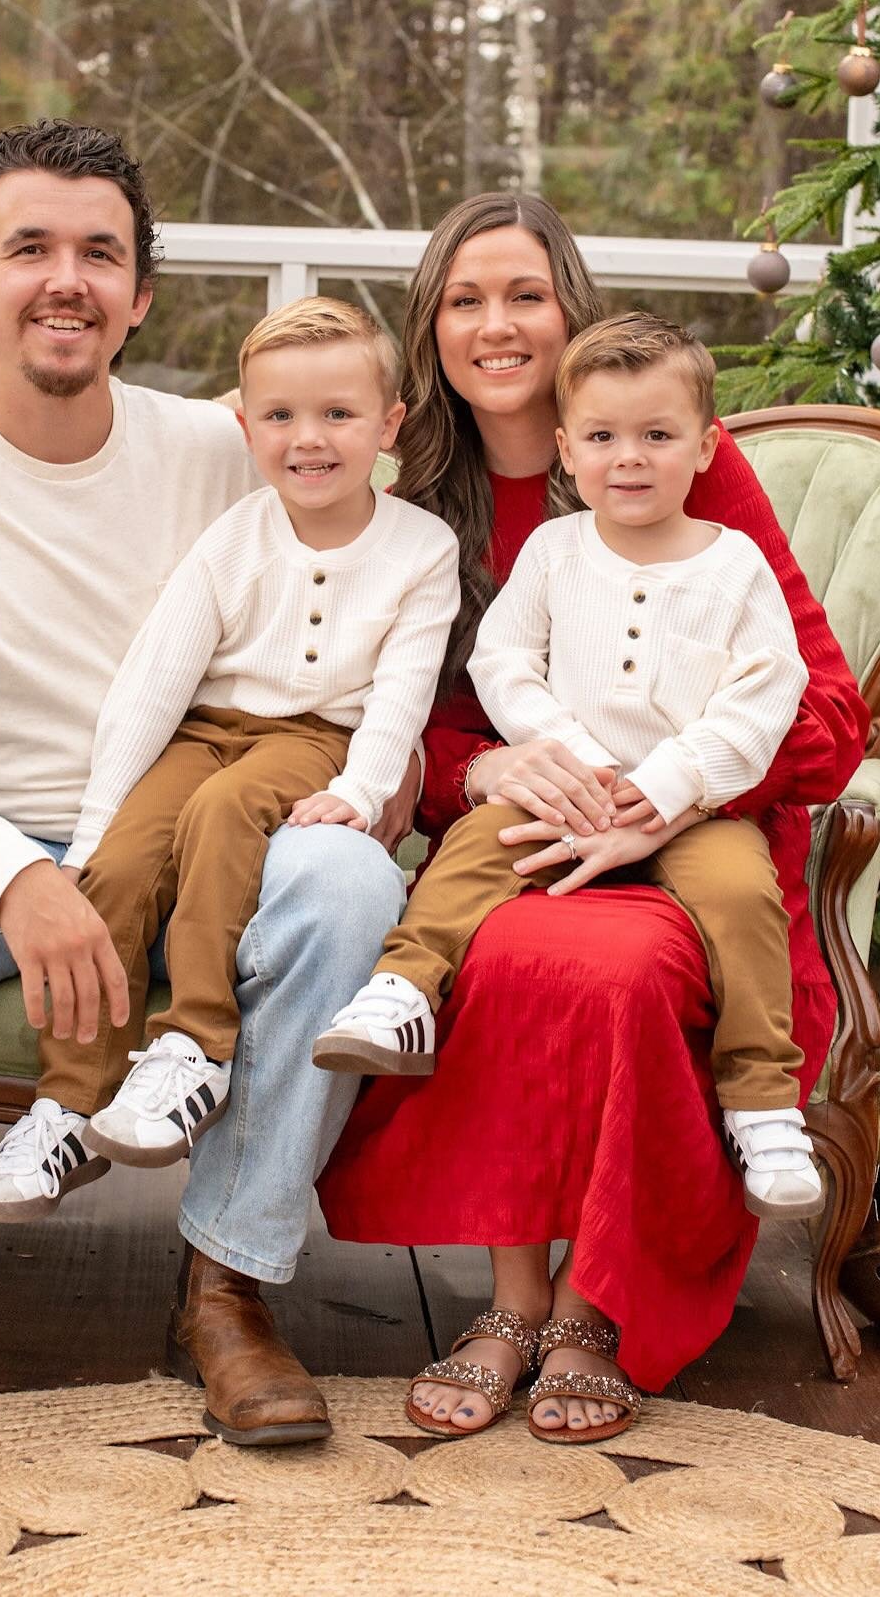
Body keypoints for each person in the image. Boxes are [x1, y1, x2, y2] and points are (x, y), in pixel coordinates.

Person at [0, 122, 411, 1442]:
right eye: (29, 248)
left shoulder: (222, 451)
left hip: (186, 826)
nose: (65, 278)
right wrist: (14, 876)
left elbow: (371, 580)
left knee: (346, 876)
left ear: (139, 296)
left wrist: (380, 767)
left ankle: (226, 1280)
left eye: (98, 253)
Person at [316, 193, 870, 1445]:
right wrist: (495, 774)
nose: (495, 324)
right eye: (464, 299)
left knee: (611, 971)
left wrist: (658, 796)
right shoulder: (412, 498)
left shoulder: (678, 467)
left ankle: (587, 1308)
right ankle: (507, 1297)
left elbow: (818, 710)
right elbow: (404, 722)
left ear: (573, 311)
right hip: (527, 832)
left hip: (693, 839)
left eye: (524, 294)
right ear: (430, 327)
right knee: (504, 951)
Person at [321, 308, 823, 1225]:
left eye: (656, 436)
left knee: (744, 900)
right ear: (566, 449)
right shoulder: (555, 552)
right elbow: (503, 664)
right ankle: (400, 988)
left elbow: (768, 693)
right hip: (564, 786)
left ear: (707, 447)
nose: (627, 457)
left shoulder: (737, 566)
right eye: (602, 437)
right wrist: (576, 761)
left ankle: (761, 1099)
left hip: (693, 807)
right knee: (474, 851)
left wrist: (670, 782)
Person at [0, 298, 456, 1183]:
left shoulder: (421, 548)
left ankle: (195, 1043)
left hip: (316, 738)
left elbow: (401, 693)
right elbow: (153, 684)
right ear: (246, 427)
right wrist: (94, 826)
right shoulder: (233, 539)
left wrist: (366, 787)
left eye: (338, 414)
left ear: (389, 424)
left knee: (225, 815)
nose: (308, 439)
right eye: (279, 416)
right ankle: (68, 1105)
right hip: (203, 730)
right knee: (119, 867)